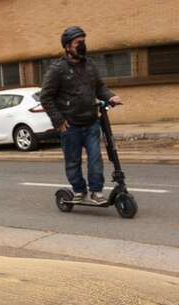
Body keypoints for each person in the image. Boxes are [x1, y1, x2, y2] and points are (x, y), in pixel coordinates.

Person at [40, 26, 122, 204]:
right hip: (70, 126)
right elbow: (45, 97)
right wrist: (58, 120)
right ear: (68, 46)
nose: (83, 46)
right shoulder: (57, 69)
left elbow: (99, 87)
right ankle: (78, 190)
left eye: (84, 42)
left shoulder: (90, 64)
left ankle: (96, 192)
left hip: (91, 122)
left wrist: (110, 96)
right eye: (79, 43)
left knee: (95, 160)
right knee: (73, 162)